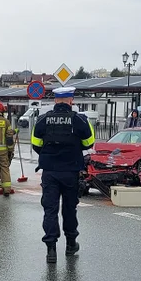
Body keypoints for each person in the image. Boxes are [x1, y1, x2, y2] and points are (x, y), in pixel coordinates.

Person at [31, 87, 95, 263]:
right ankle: (70, 244)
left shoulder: (42, 120)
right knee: (69, 209)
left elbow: (36, 144)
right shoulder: (80, 120)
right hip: (71, 171)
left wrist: (50, 154)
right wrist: (73, 149)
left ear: (55, 101)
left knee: (50, 209)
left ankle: (51, 250)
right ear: (71, 100)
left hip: (50, 172)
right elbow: (89, 142)